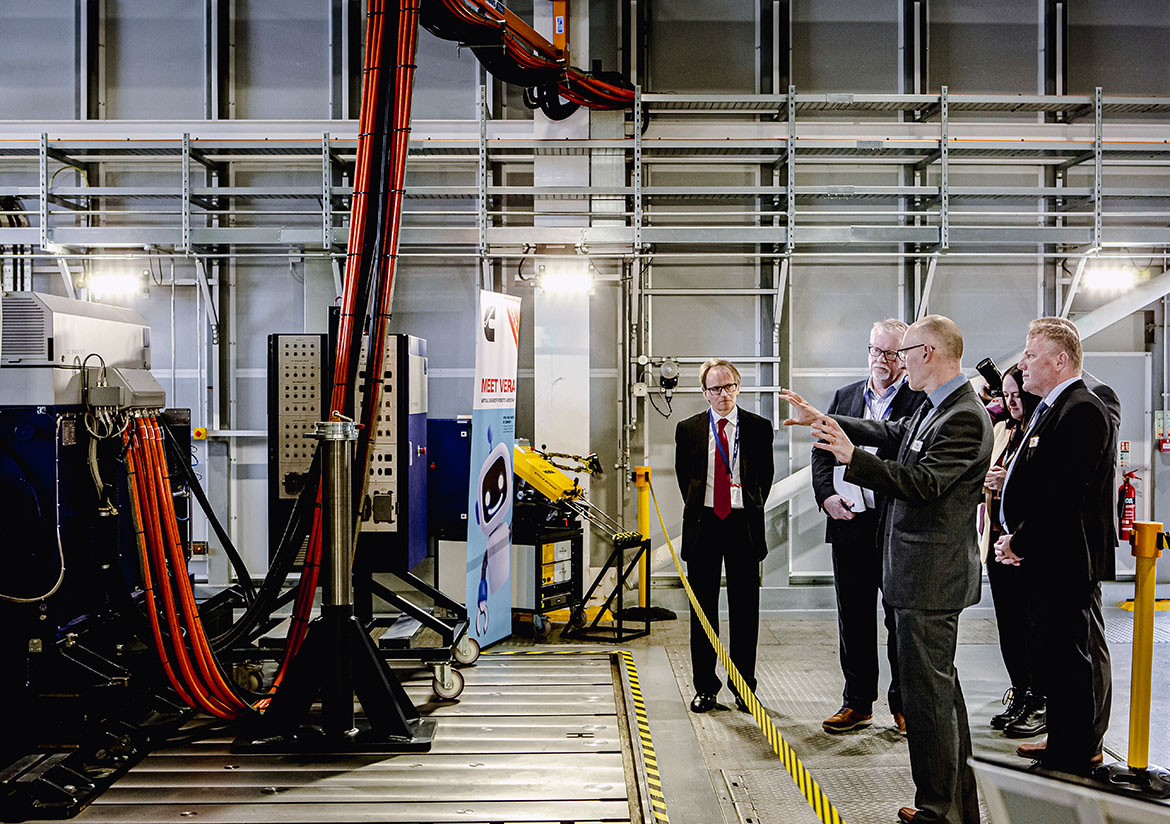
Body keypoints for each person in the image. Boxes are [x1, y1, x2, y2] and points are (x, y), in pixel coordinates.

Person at [782, 315, 991, 824]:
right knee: (937, 699)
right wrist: (827, 421)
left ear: (929, 353)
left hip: (930, 579)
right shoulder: (937, 408)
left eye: (906, 352)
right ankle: (950, 807)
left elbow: (920, 483)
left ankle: (940, 812)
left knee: (931, 703)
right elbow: (892, 430)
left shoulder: (962, 416)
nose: (896, 362)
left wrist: (853, 457)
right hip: (918, 576)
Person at [995, 318, 1115, 774]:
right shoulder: (1052, 407)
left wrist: (1021, 541)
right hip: (1045, 555)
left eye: (1030, 355)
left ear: (1060, 360)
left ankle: (1073, 754)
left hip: (1064, 557)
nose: (1022, 364)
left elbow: (1062, 495)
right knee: (1051, 655)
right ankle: (1062, 740)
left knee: (1069, 659)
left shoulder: (1081, 408)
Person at [811, 319, 926, 735]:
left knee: (899, 620)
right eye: (875, 350)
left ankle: (904, 706)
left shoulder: (918, 401)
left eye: (892, 354)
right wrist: (826, 497)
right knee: (854, 618)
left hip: (894, 525)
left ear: (905, 356)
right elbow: (821, 455)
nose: (882, 360)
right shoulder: (844, 397)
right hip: (849, 524)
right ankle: (857, 703)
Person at [675, 358, 775, 713]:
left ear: (738, 387)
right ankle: (705, 687)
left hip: (742, 525)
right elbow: (685, 478)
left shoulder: (759, 428)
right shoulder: (688, 430)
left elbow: (765, 477)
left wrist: (744, 502)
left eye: (729, 386)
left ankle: (744, 687)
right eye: (716, 388)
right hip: (704, 524)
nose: (724, 394)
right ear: (705, 393)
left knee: (745, 611)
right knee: (703, 611)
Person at [980, 366, 1045, 737]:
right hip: (997, 540)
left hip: (1026, 544)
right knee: (1009, 625)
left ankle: (1040, 697)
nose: (1012, 402)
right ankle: (1020, 691)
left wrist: (1010, 479)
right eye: (1006, 396)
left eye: (1017, 394)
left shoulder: (1042, 430)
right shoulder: (1004, 429)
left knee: (1033, 625)